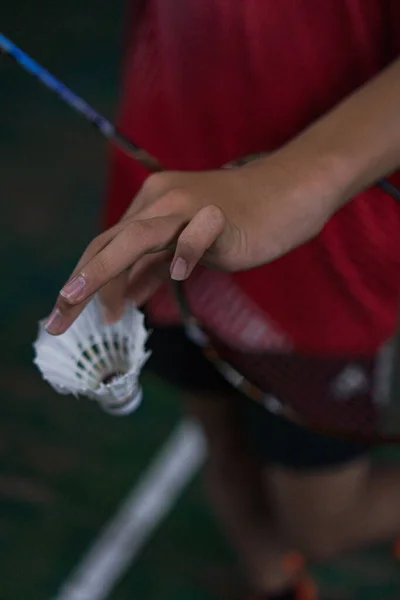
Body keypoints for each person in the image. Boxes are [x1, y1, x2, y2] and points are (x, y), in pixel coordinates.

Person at [46, 1, 400, 598]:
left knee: (321, 524)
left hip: (329, 246)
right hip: (161, 190)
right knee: (220, 437)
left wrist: (297, 179)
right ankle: (274, 584)